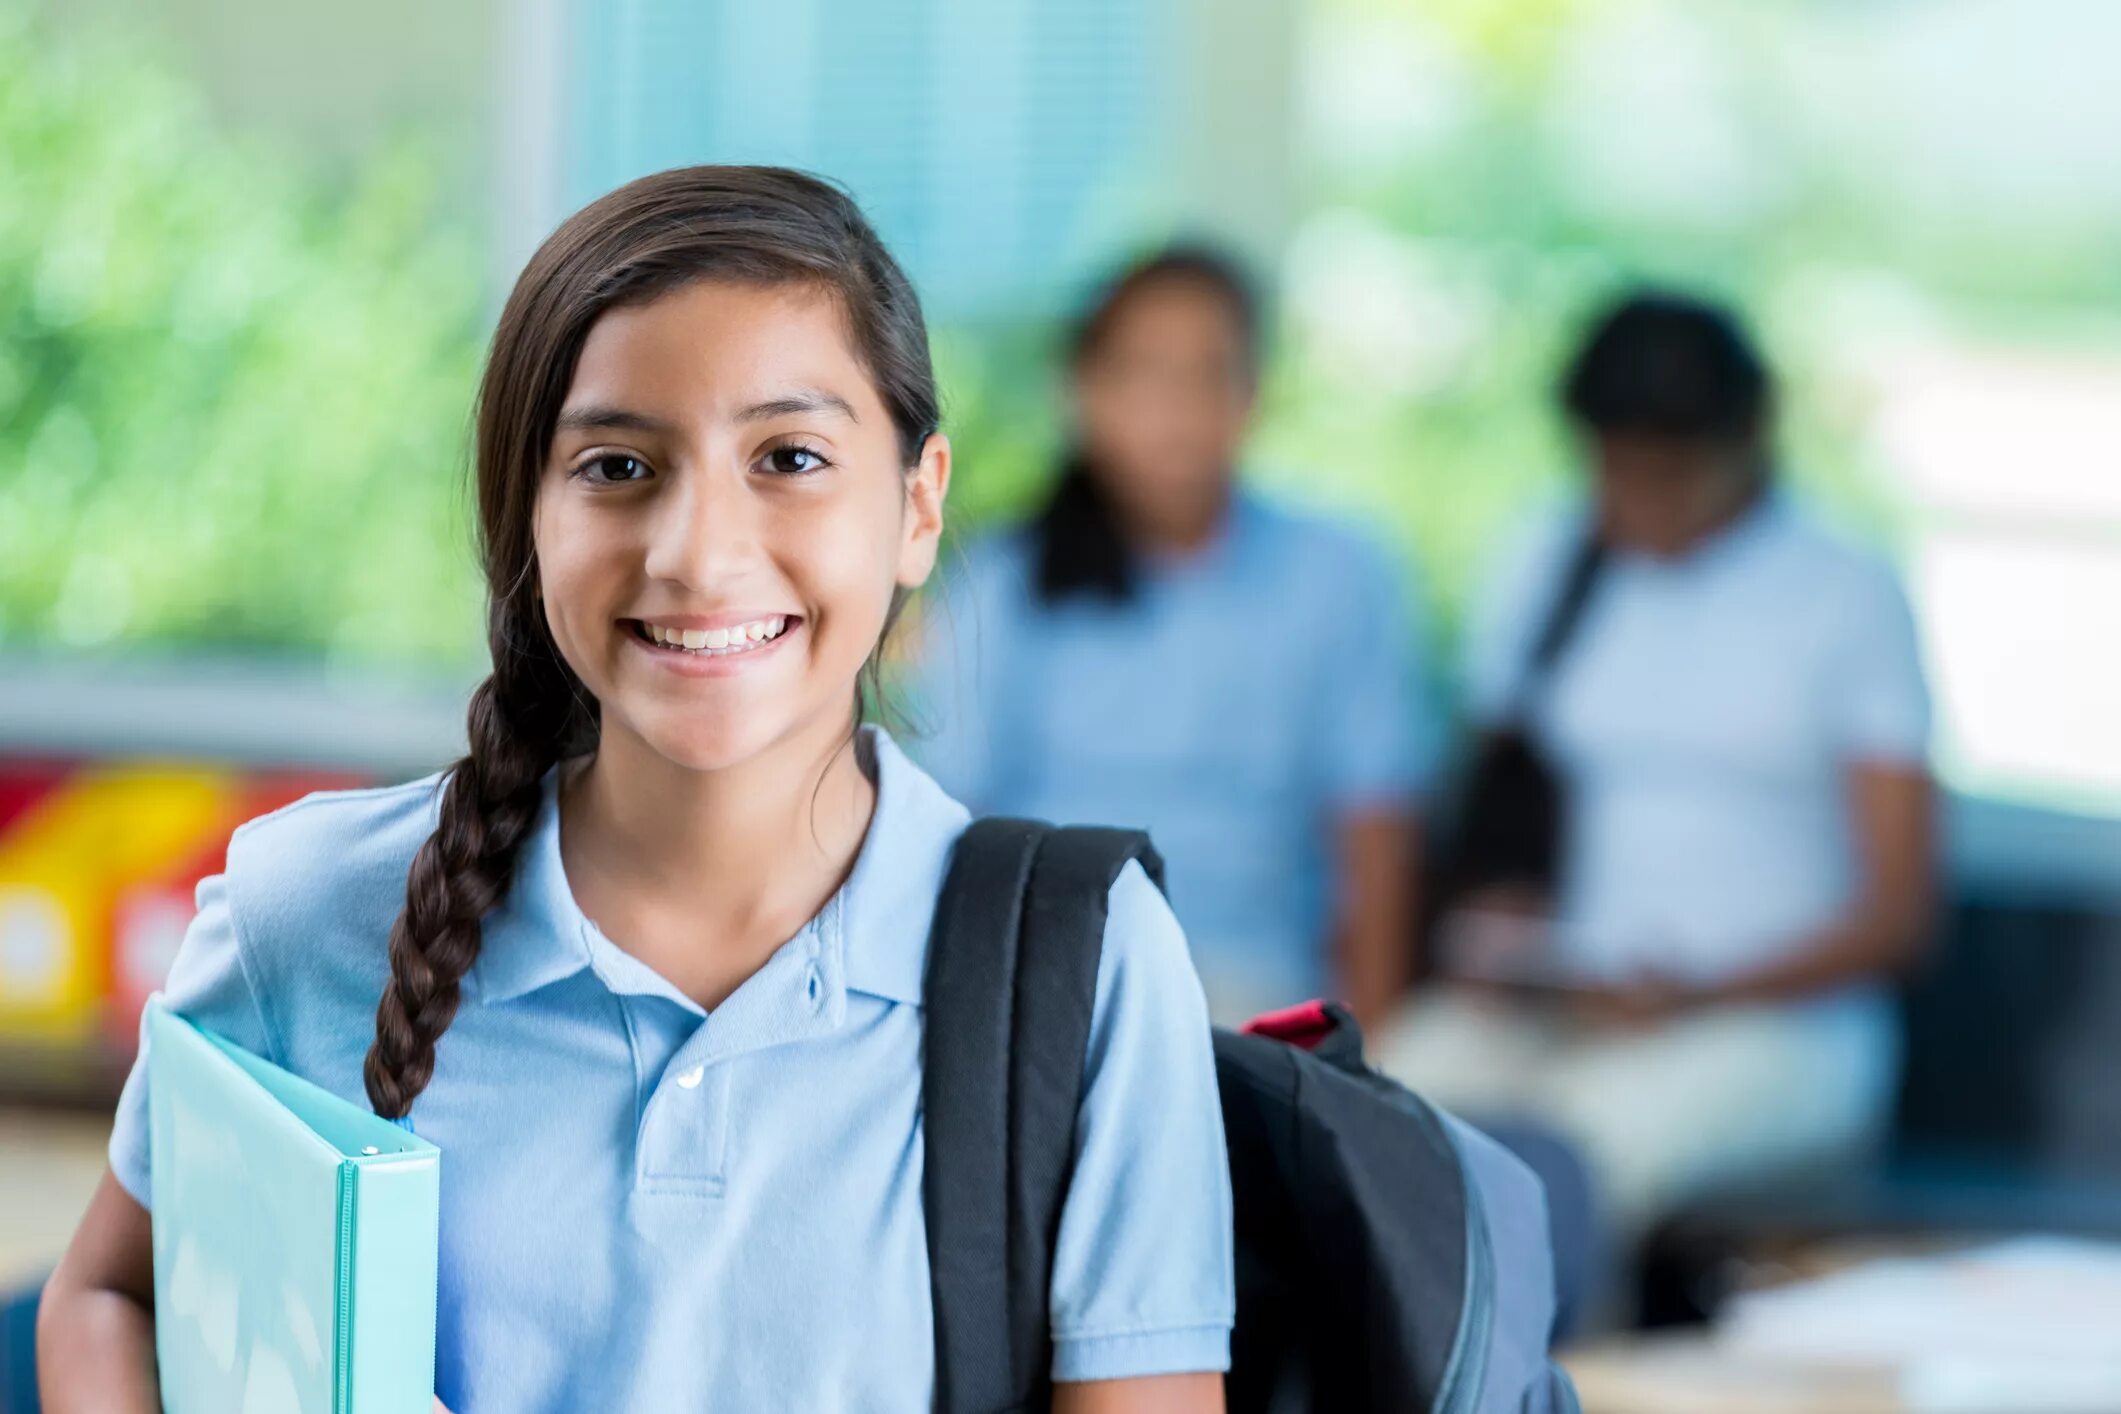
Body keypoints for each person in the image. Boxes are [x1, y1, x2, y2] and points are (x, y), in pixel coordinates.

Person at [37, 167, 1233, 1413]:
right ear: (528, 520)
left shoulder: (1083, 968)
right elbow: (107, 1297)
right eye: (616, 467)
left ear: (918, 505)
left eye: (789, 455)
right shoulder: (311, 912)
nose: (697, 554)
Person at [1379, 289, 1936, 1236]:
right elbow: (1490, 802)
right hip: (1558, 1005)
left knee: (1576, 1155)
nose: (1642, 503)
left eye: (1671, 473)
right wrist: (1502, 923)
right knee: (1374, 1101)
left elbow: (1897, 916)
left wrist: (1697, 992)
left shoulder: (1841, 589)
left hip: (1769, 1029)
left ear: (1750, 436)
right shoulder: (1545, 556)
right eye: (1617, 471)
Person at [912, 247, 1432, 1031]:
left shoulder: (1339, 573)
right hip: (1052, 977)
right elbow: (949, 823)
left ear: (1255, 393)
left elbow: (1375, 831)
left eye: (1209, 373)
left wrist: (1371, 1057)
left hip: (1258, 991)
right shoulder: (1000, 581)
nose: (1179, 408)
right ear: (1084, 391)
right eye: (1147, 373)